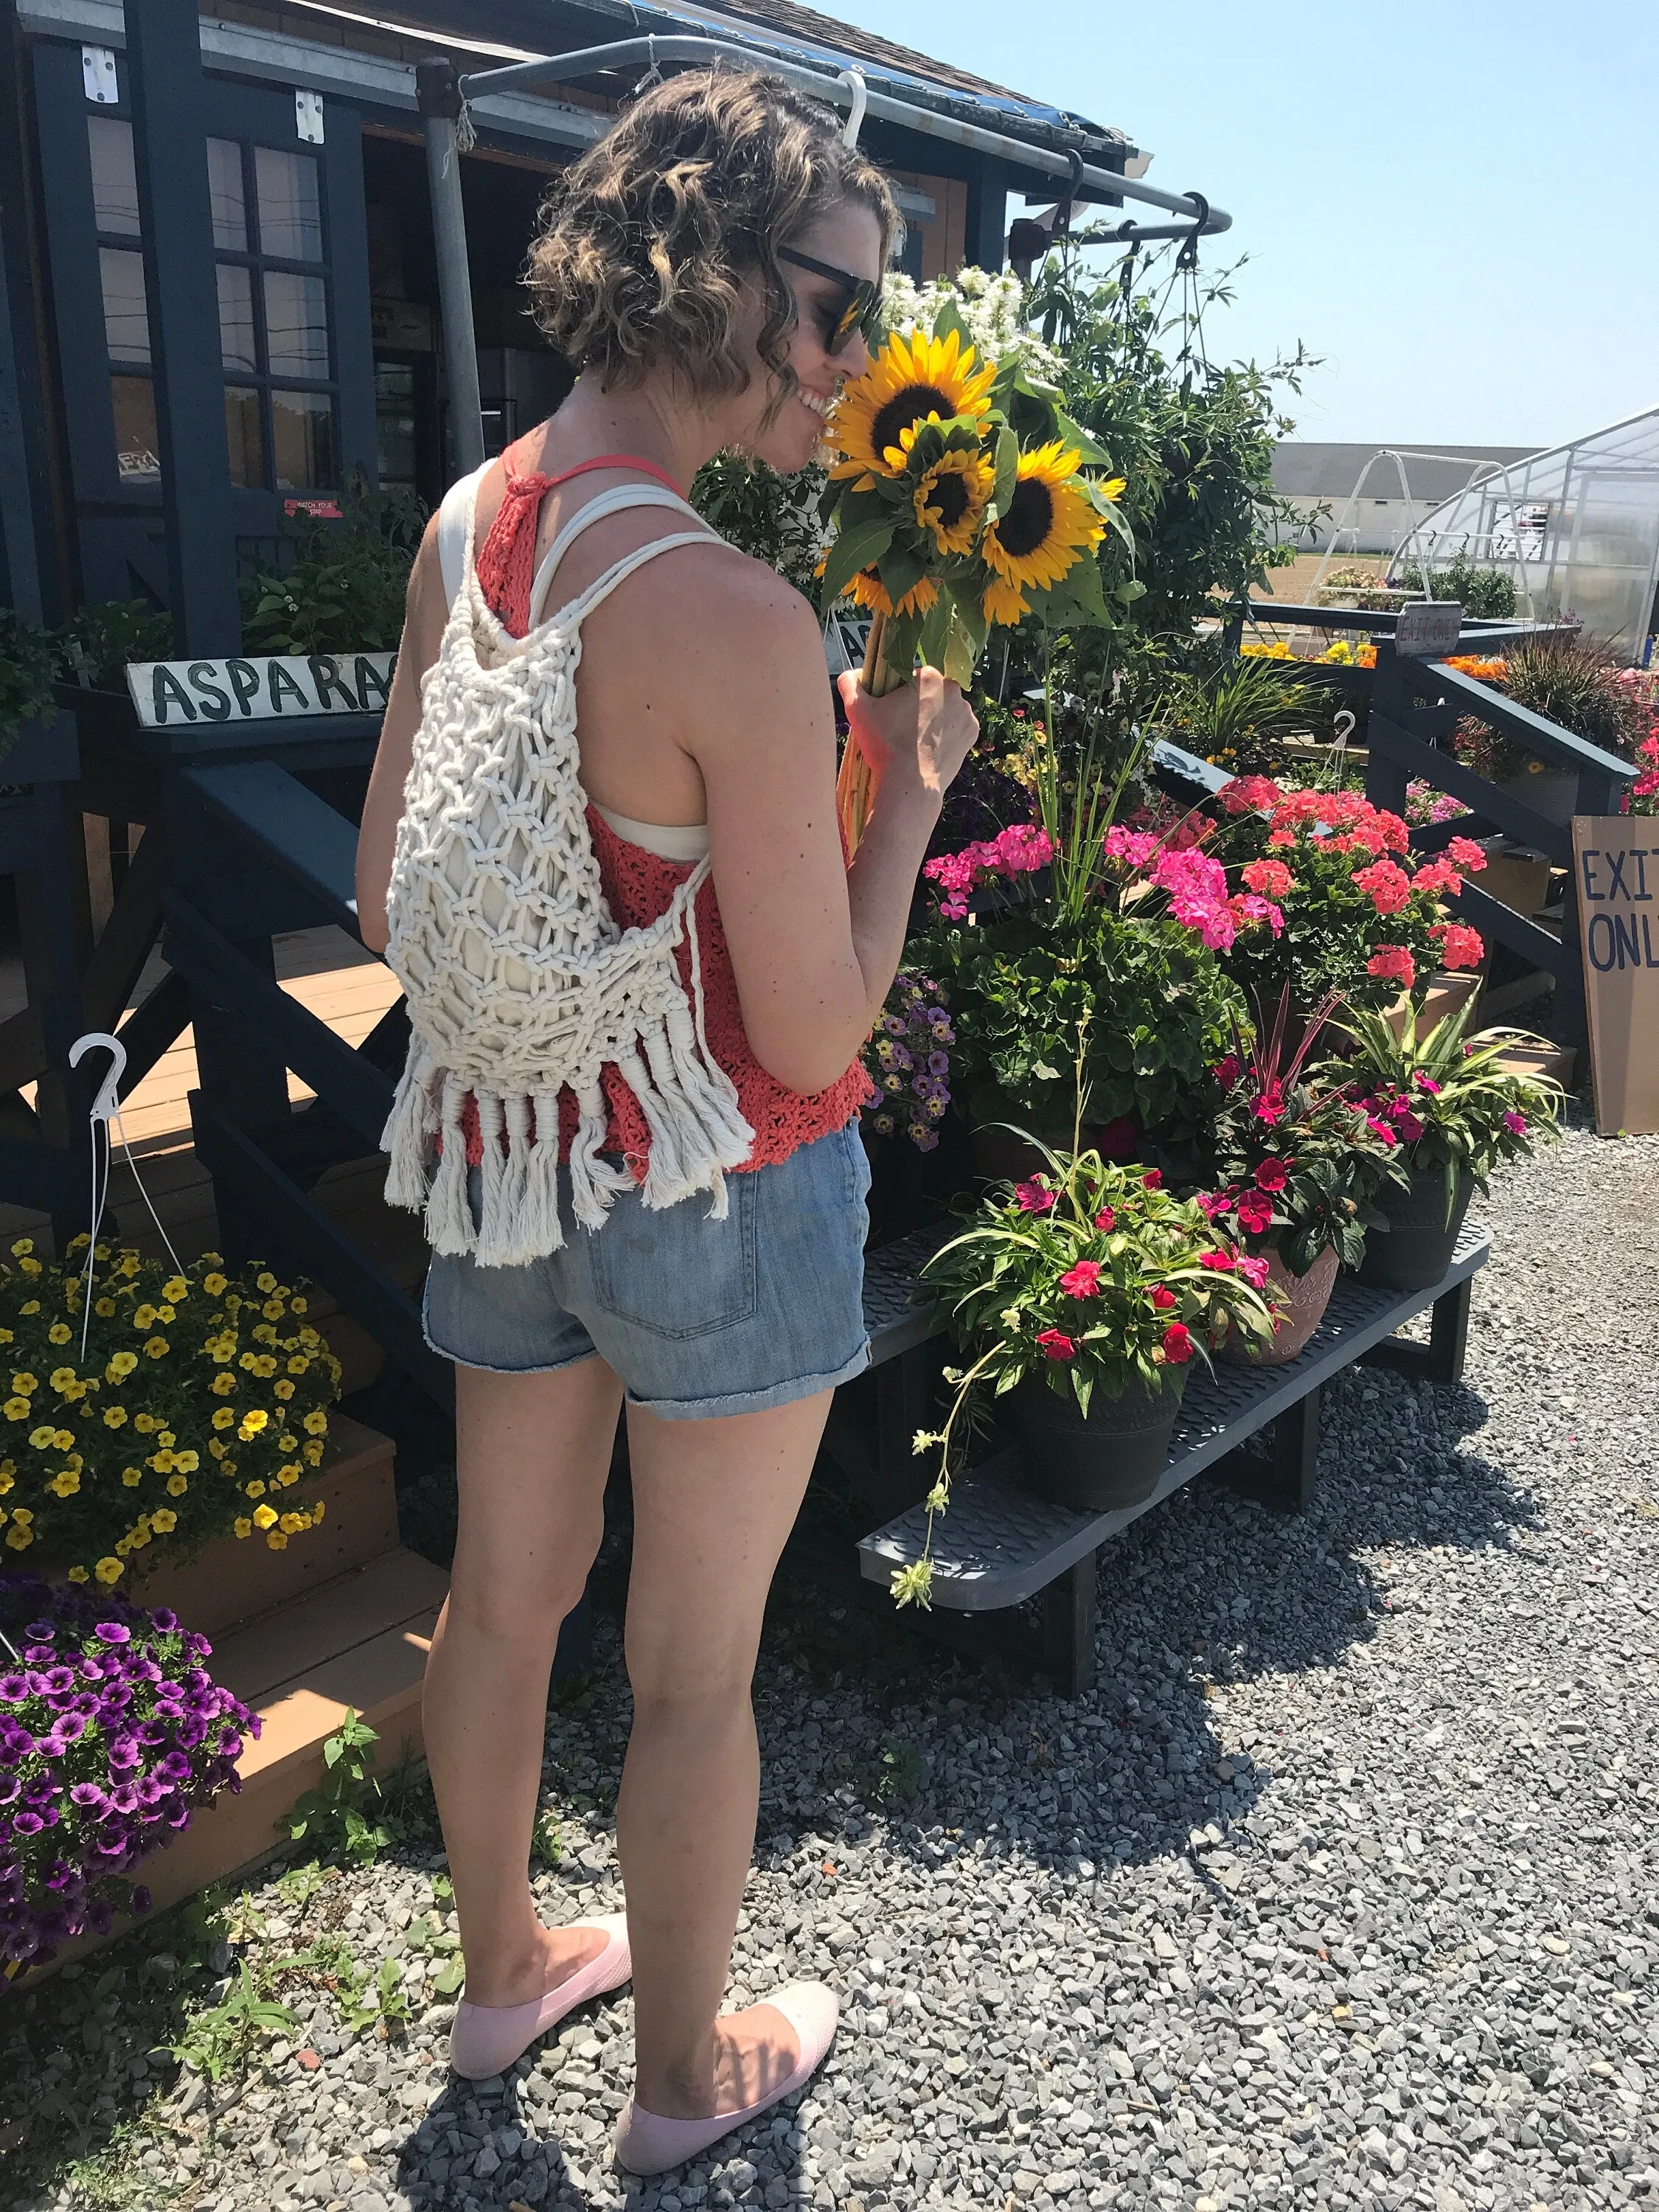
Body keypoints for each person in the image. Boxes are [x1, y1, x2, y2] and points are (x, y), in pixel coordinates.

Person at [354, 66, 978, 2177]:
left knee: (505, 1600)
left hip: (506, 1155)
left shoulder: (467, 524)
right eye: (839, 314)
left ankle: (506, 1964)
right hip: (719, 1185)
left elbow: (386, 899)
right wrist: (899, 797)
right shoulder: (732, 612)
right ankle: (681, 2089)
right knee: (693, 1671)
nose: (861, 370)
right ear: (713, 277)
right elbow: (815, 1027)